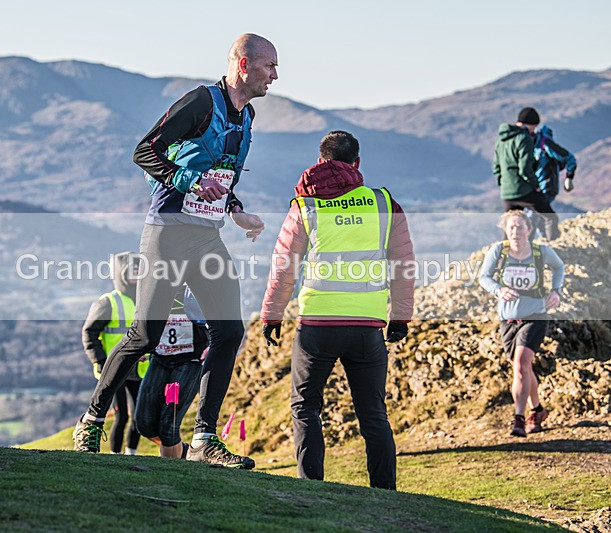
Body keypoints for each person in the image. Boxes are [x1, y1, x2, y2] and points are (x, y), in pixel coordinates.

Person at [73, 34, 278, 469]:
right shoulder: (201, 101)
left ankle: (204, 438)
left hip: (206, 235)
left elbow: (222, 176)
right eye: (269, 66)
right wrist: (187, 182)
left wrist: (236, 209)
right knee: (144, 336)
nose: (275, 75)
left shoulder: (247, 115)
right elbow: (144, 151)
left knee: (230, 332)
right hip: (167, 231)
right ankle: (91, 419)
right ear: (243, 65)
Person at [260, 131, 415, 490]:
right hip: (367, 328)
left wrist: (272, 315)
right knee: (374, 415)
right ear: (357, 163)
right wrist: (400, 316)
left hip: (317, 326)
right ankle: (385, 493)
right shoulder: (383, 203)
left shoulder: (305, 206)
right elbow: (403, 264)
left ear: (320, 161)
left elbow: (284, 266)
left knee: (305, 407)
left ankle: (311, 486)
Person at [478, 210, 565, 437]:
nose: (516, 231)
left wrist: (556, 291)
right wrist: (499, 290)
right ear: (506, 230)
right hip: (508, 319)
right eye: (511, 227)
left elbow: (559, 267)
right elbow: (484, 277)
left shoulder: (540, 252)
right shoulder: (499, 251)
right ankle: (538, 410)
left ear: (529, 230)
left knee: (520, 364)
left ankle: (518, 419)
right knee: (524, 369)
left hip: (535, 315)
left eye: (520, 227)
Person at [80, 251, 148, 454]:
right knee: (121, 417)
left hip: (141, 369)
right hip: (114, 368)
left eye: (139, 271)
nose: (136, 276)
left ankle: (131, 454)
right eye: (131, 272)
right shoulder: (108, 302)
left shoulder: (147, 301)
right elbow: (89, 333)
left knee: (138, 416)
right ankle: (115, 456)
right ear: (121, 274)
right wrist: (100, 360)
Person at [135, 285, 209, 458]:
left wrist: (212, 345)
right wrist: (139, 345)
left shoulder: (199, 285)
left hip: (190, 360)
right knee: (145, 424)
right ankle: (182, 451)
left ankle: (171, 475)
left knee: (168, 425)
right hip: (159, 358)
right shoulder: (153, 286)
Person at [494, 107, 560, 241]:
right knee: (550, 217)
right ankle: (552, 252)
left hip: (507, 192)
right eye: (534, 127)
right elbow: (525, 168)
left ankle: (505, 257)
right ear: (529, 124)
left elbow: (497, 168)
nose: (534, 131)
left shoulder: (501, 140)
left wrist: (504, 185)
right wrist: (535, 185)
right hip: (523, 191)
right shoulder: (524, 139)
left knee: (510, 225)